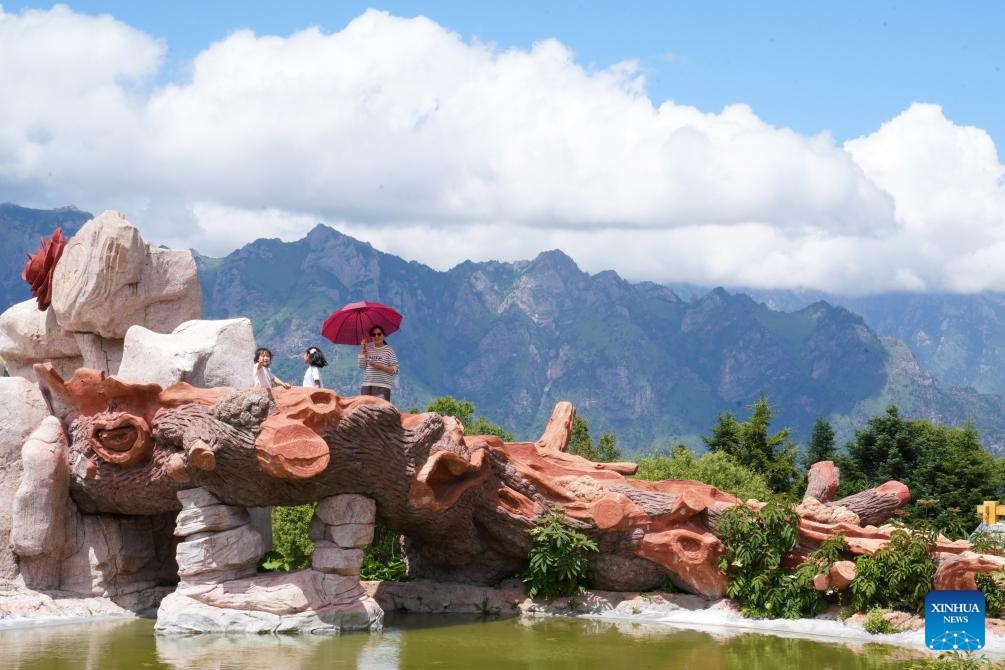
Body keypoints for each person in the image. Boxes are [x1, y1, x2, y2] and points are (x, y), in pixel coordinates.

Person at [358, 326, 398, 401]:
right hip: (367, 386)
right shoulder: (368, 349)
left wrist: (381, 367)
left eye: (379, 334)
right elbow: (361, 366)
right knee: (365, 411)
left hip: (382, 387)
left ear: (383, 335)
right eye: (374, 334)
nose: (376, 336)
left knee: (380, 411)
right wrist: (363, 350)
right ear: (371, 337)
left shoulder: (389, 350)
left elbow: (396, 369)